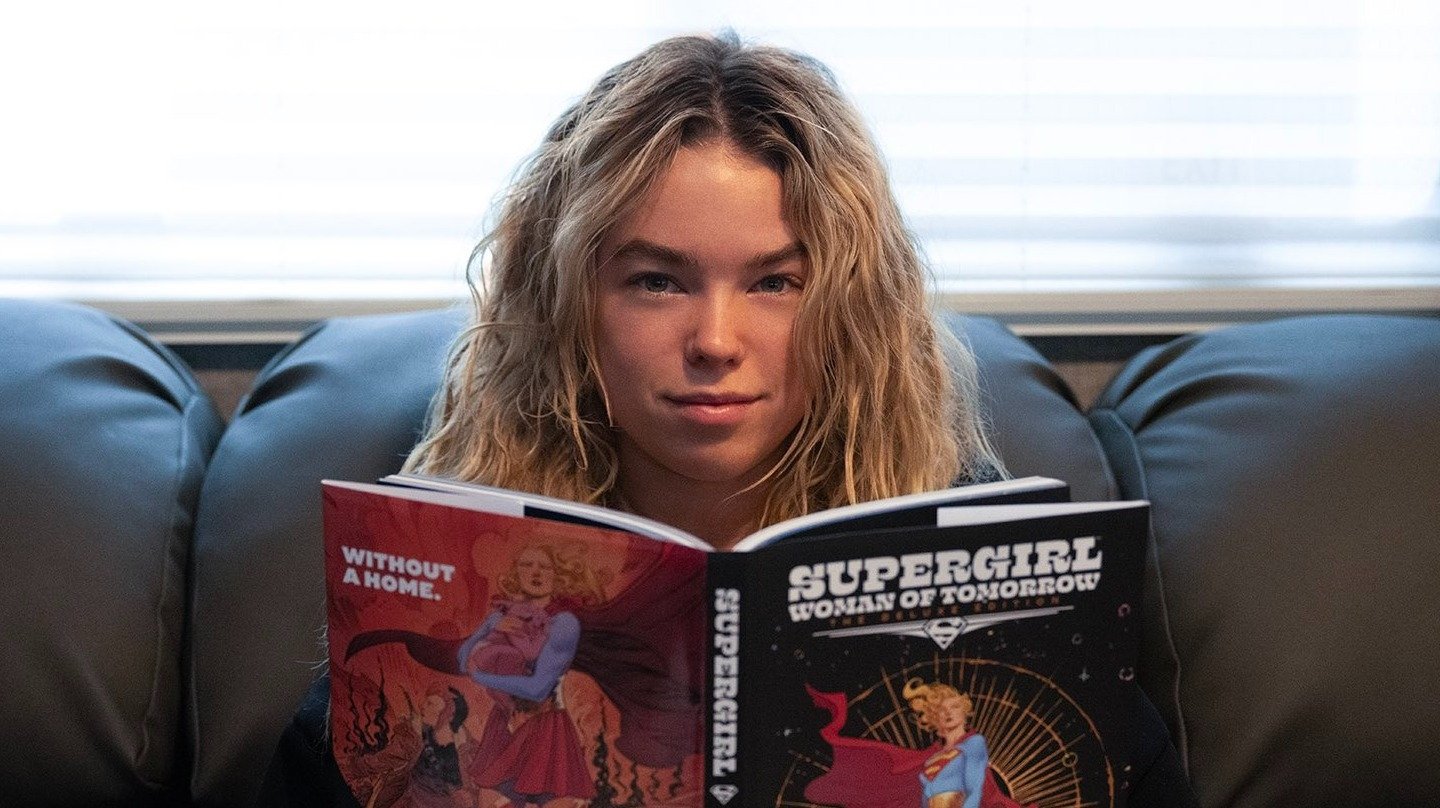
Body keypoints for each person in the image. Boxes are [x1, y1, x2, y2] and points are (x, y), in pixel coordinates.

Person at [255, 31, 1196, 807]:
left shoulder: (979, 555)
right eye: (656, 281)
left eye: (775, 283)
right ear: (567, 306)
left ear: (852, 311)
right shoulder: (457, 559)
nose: (715, 340)